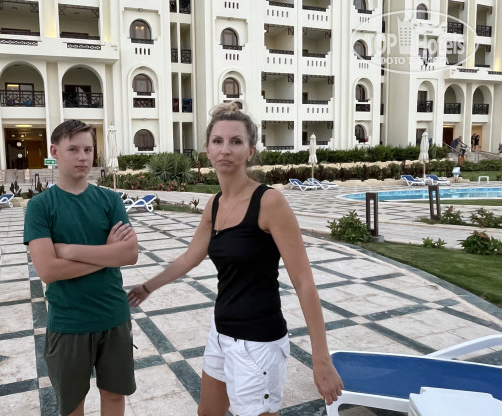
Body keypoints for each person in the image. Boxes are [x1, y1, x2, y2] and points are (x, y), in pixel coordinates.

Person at [128, 101, 343, 416]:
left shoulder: (269, 202)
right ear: (207, 150)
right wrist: (148, 287)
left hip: (258, 342)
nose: (225, 149)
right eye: (218, 141)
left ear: (250, 151)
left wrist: (321, 358)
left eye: (236, 141)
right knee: (208, 412)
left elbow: (303, 281)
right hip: (221, 332)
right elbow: (189, 258)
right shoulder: (214, 204)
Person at [24, 119, 138, 416]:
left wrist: (70, 251)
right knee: (72, 405)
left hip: (113, 316)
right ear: (55, 152)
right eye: (73, 149)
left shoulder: (109, 200)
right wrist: (107, 254)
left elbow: (129, 254)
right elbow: (48, 271)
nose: (83, 157)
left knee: (114, 396)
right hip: (68, 321)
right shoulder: (40, 206)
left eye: (88, 149)